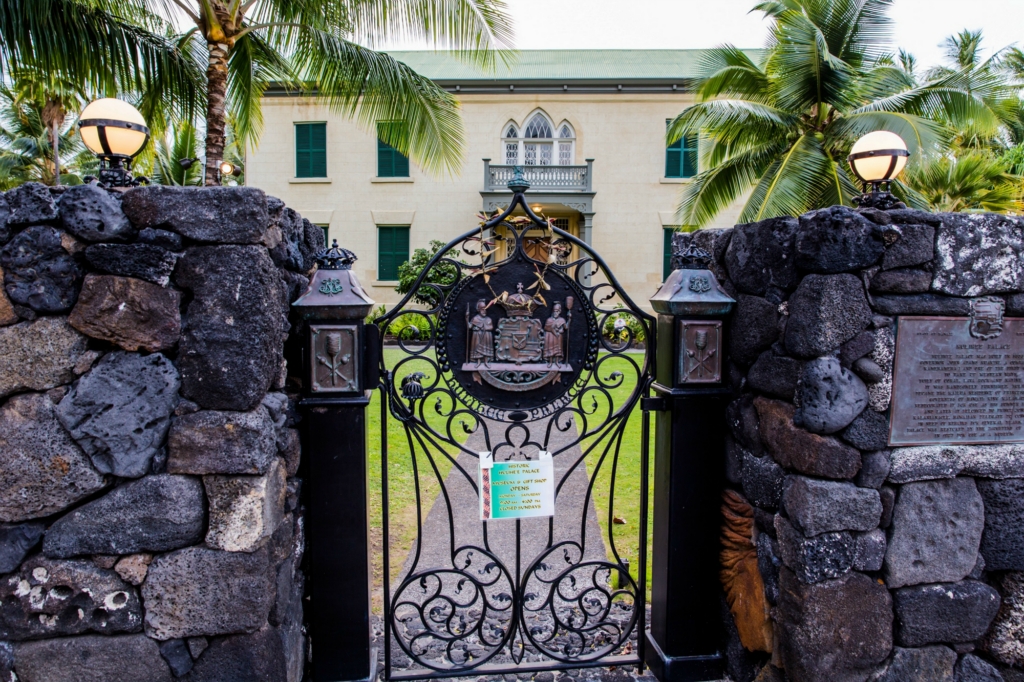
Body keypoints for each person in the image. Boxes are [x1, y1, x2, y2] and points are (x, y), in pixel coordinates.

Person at [466, 299, 495, 366]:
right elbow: (470, 327)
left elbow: (491, 327)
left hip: (486, 337)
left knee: (485, 349)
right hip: (477, 337)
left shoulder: (488, 319)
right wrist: (466, 318)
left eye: (485, 308)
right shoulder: (475, 318)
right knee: (477, 348)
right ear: (478, 310)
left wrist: (484, 328)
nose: (484, 311)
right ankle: (478, 362)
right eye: (482, 309)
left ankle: (486, 362)